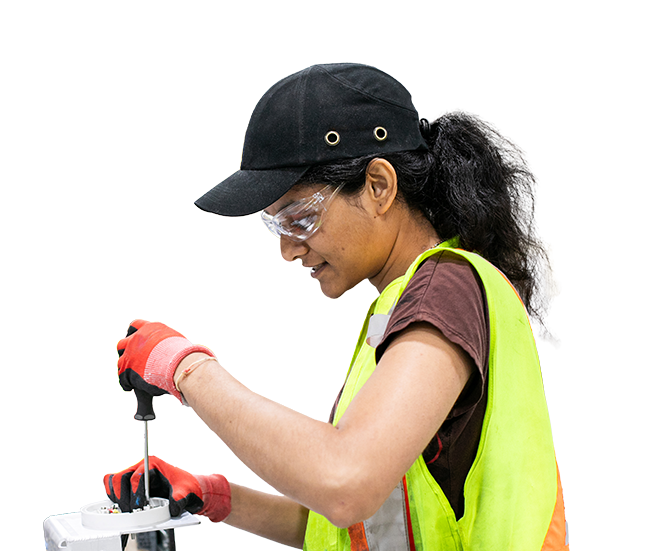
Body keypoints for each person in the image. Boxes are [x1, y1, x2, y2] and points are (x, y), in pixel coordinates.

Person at [103, 63, 568, 550]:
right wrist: (214, 496)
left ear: (379, 187)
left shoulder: (446, 288)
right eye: (276, 227)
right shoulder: (399, 305)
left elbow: (346, 482)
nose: (288, 250)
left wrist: (186, 368)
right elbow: (346, 523)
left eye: (300, 218)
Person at [43, 252, 159, 471]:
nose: (59, 314)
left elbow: (77, 396)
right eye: (54, 307)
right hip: (142, 459)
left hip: (119, 468)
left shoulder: (95, 342)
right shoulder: (111, 325)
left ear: (94, 295)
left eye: (64, 305)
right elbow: (59, 386)